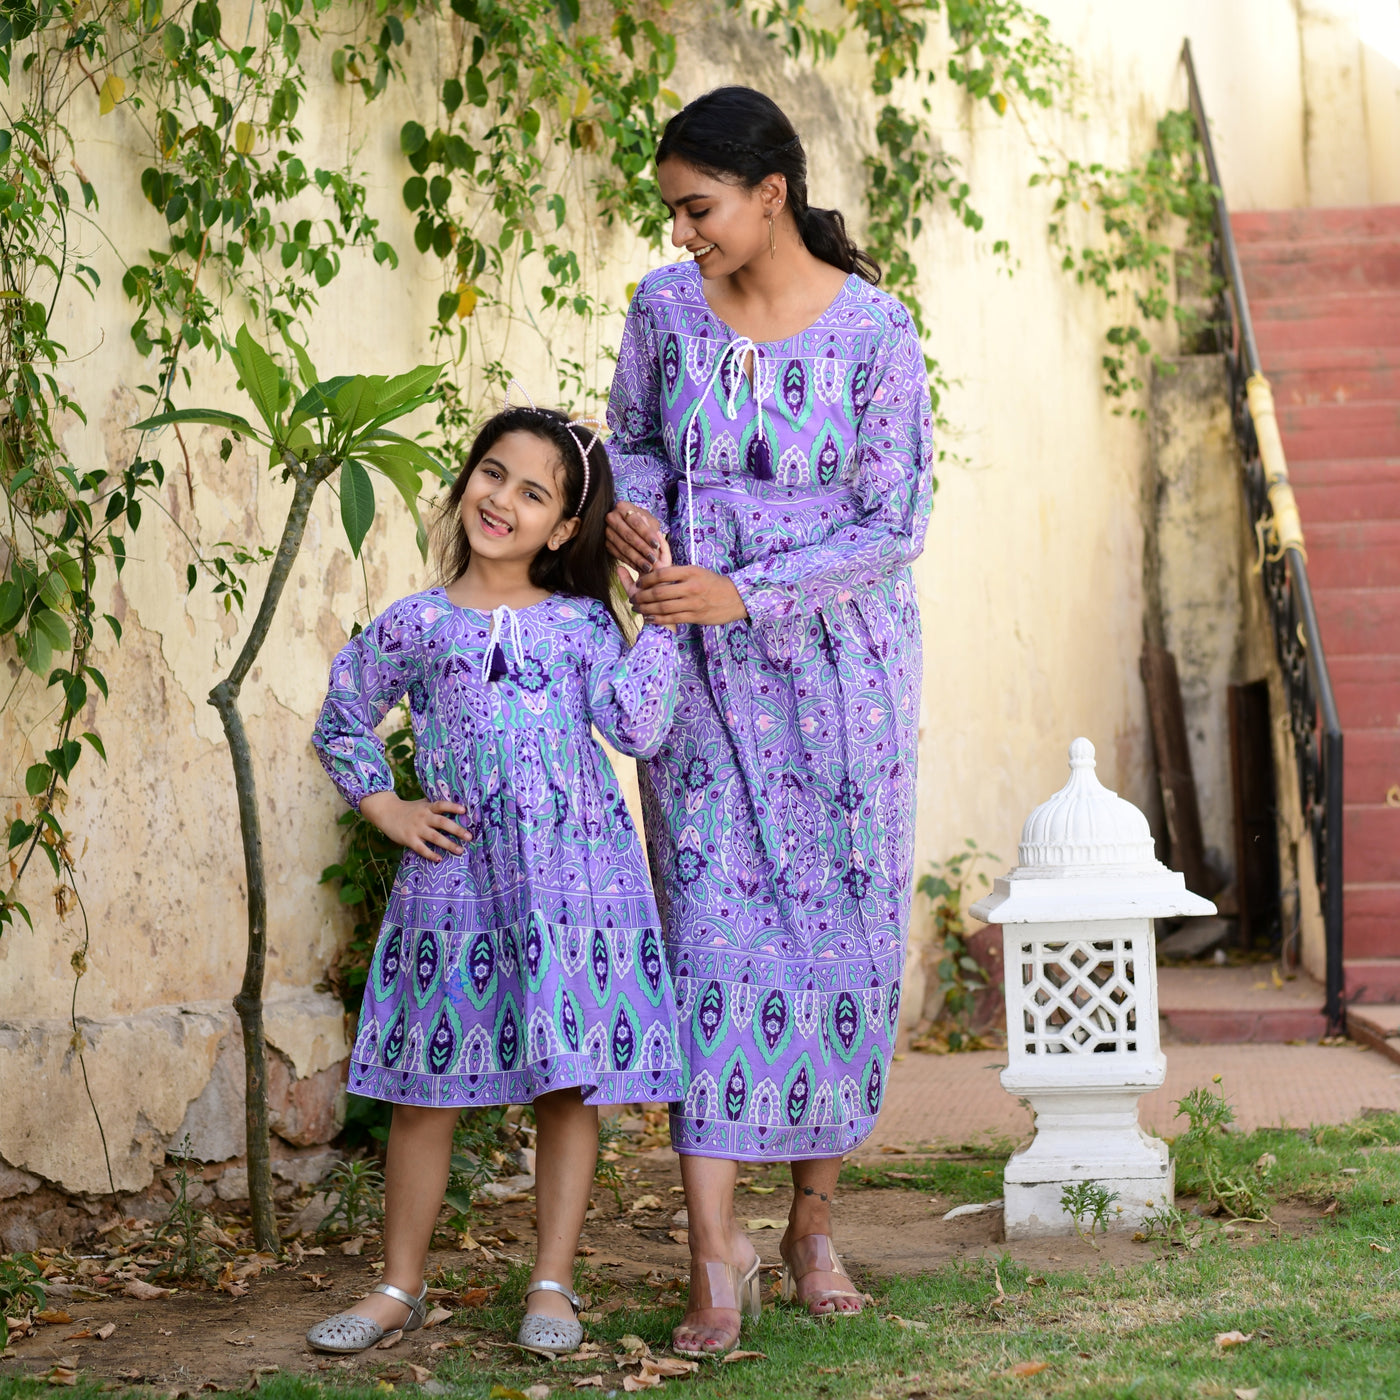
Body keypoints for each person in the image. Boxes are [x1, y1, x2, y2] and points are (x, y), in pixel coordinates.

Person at [606, 86, 936, 1355]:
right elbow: (630, 441)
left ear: (768, 195)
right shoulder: (662, 309)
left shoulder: (876, 334)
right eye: (673, 212)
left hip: (841, 682)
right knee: (710, 951)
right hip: (698, 677)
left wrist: (750, 586)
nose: (682, 232)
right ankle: (712, 1260)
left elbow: (892, 520)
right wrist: (637, 516)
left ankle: (807, 1219)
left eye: (698, 208)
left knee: (835, 945)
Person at [307, 402, 683, 1357]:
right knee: (425, 1090)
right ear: (465, 481)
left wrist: (662, 614)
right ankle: (400, 1284)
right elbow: (341, 717)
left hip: (573, 882)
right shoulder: (417, 623)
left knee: (567, 1087)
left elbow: (637, 728)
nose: (501, 499)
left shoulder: (583, 627)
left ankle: (552, 1283)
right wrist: (384, 806)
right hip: (457, 881)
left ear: (562, 529)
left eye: (532, 491)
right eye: (490, 473)